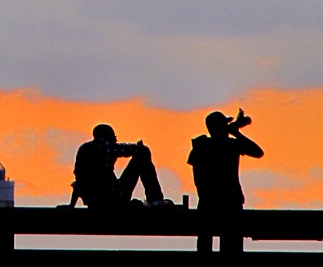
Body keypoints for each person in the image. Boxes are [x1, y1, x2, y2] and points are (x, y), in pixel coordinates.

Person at [187, 108, 264, 254]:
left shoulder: (200, 147)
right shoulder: (231, 145)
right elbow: (258, 152)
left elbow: (197, 179)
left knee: (204, 248)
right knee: (232, 251)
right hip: (231, 204)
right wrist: (236, 132)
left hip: (207, 204)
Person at [60, 123, 173, 209]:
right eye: (114, 136)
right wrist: (140, 147)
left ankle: (153, 200)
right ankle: (155, 199)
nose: (116, 139)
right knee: (143, 153)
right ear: (107, 136)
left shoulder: (83, 149)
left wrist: (71, 205)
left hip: (94, 202)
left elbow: (79, 182)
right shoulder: (105, 146)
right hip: (113, 199)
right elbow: (136, 150)